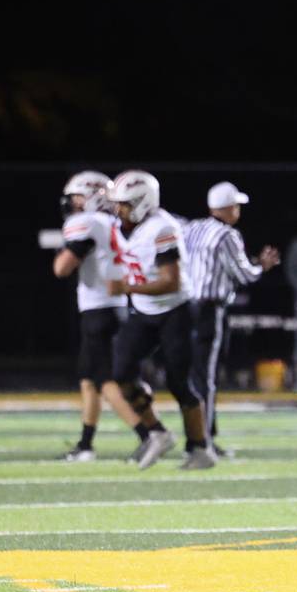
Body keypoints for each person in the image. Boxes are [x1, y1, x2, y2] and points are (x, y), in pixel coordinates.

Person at [105, 170, 215, 471]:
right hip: (144, 310)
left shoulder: (161, 228)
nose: (119, 209)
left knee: (179, 383)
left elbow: (171, 282)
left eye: (124, 204)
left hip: (174, 310)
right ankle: (157, 432)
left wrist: (127, 287)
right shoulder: (123, 226)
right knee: (122, 374)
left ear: (142, 202)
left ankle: (200, 448)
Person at [52, 171, 148, 460]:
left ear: (92, 197)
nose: (72, 204)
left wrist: (62, 250)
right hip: (111, 306)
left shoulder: (88, 223)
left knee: (106, 382)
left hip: (100, 310)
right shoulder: (109, 222)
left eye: (77, 197)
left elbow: (61, 269)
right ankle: (85, 445)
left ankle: (149, 436)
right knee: (88, 380)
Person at [183, 181, 280, 457]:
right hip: (209, 310)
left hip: (186, 307)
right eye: (235, 205)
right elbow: (245, 275)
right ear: (225, 208)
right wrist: (262, 265)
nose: (238, 210)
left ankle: (196, 438)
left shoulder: (193, 228)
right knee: (207, 378)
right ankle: (203, 441)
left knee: (193, 377)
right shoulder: (227, 235)